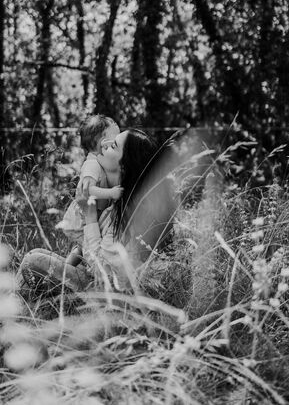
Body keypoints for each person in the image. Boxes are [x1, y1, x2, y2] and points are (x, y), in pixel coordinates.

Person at [17, 128, 175, 292]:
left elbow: (101, 270)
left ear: (123, 167)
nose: (104, 143)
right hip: (97, 279)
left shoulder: (129, 214)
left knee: (32, 260)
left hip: (106, 291)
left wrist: (90, 216)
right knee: (37, 253)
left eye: (113, 145)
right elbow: (88, 249)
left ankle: (17, 306)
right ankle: (25, 301)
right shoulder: (117, 201)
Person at [56, 114, 122, 266]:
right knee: (83, 247)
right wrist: (111, 193)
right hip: (82, 218)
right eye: (116, 138)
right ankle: (67, 273)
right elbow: (88, 190)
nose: (118, 142)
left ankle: (67, 270)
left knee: (81, 249)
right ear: (102, 142)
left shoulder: (101, 162)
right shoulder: (92, 164)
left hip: (92, 213)